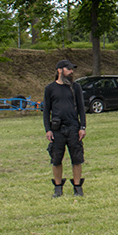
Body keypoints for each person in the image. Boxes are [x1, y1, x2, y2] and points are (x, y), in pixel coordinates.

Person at [43, 59, 86, 197]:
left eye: (72, 69)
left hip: (73, 127)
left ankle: (78, 187)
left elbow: (81, 108)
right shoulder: (50, 88)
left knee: (77, 158)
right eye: (69, 69)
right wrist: (47, 129)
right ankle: (58, 187)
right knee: (56, 159)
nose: (71, 72)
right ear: (60, 70)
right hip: (57, 129)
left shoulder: (76, 87)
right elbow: (46, 111)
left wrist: (82, 126)